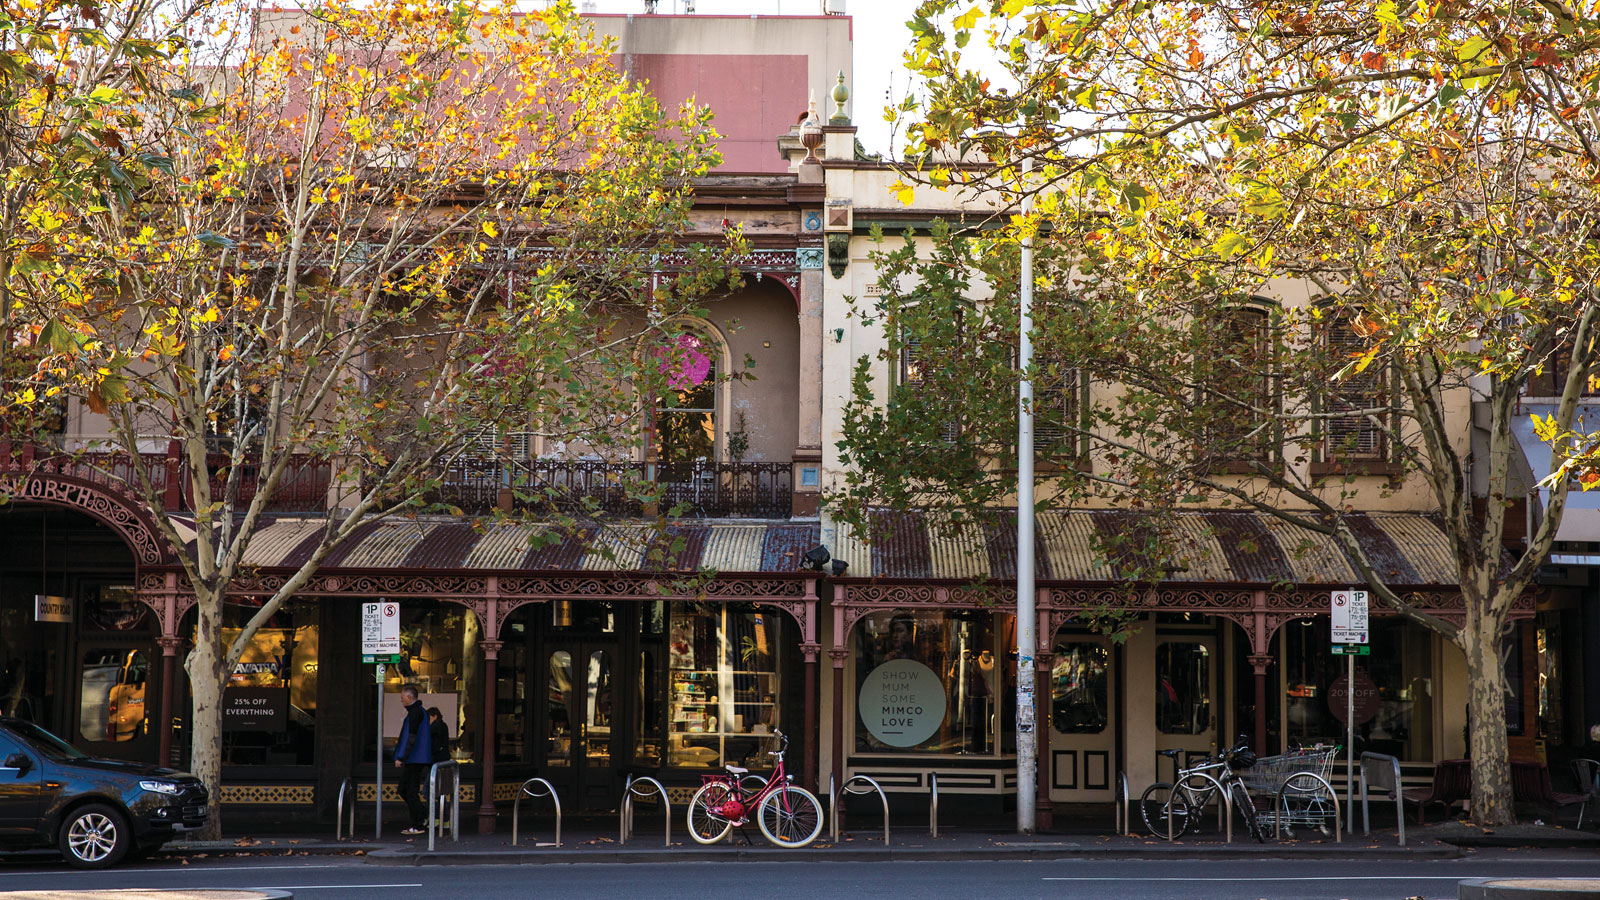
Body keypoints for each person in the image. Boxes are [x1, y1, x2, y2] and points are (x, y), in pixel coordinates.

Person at [393, 684, 432, 836]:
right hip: (416, 758)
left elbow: (411, 738)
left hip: (414, 758)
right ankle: (422, 816)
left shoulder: (415, 713)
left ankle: (418, 823)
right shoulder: (418, 712)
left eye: (402, 697)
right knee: (405, 790)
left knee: (409, 791)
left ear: (409, 697)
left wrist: (402, 757)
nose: (401, 700)